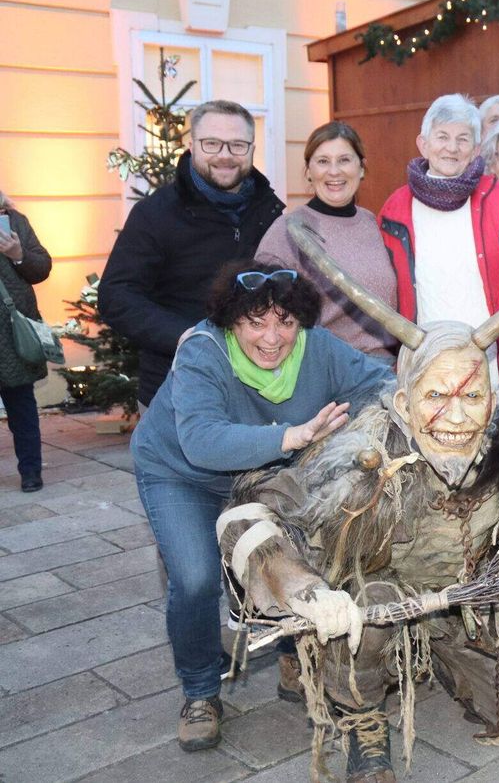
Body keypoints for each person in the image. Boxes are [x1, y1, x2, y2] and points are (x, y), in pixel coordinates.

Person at [218, 211, 499, 783]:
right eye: (437, 395)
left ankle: (437, 657)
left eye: (473, 396)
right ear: (407, 398)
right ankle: (363, 718)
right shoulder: (366, 452)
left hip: (461, 600)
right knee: (368, 618)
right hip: (376, 605)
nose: (456, 417)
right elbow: (251, 511)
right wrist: (304, 588)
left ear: (493, 399)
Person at [129, 262, 393, 751]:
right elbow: (202, 442)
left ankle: (293, 655)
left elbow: (381, 385)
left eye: (286, 322)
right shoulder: (201, 352)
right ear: (232, 322)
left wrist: (356, 424)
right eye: (256, 322)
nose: (273, 338)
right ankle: (201, 691)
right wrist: (293, 436)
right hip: (181, 473)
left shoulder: (318, 349)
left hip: (263, 472)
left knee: (297, 556)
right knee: (194, 578)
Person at [99, 99, 284, 409]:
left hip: (258, 393)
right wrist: (188, 336)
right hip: (175, 389)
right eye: (212, 143)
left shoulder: (270, 212)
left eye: (237, 145)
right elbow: (116, 296)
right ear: (191, 145)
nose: (225, 156)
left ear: (252, 148)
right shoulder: (155, 214)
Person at [378, 94, 499, 402]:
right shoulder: (395, 209)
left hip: (492, 369)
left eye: (463, 139)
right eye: (442, 137)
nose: (451, 147)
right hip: (425, 367)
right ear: (423, 143)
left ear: (475, 150)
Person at [255, 122, 398, 361]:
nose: (334, 171)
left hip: (388, 368)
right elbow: (261, 311)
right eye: (323, 161)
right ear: (309, 171)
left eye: (344, 160)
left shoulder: (372, 223)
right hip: (326, 370)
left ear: (361, 168)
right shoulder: (289, 230)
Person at [0, 188, 53, 492]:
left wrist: (17, 255)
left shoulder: (16, 222)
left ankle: (30, 471)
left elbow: (42, 267)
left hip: (12, 330)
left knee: (21, 405)